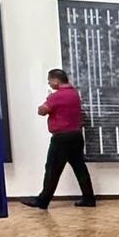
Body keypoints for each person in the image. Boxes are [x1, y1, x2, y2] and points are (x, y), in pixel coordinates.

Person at [21, 68, 97, 209]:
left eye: (49, 80)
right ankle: (89, 198)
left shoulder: (56, 96)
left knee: (52, 169)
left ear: (56, 80)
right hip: (76, 136)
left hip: (61, 138)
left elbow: (42, 111)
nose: (49, 83)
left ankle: (43, 201)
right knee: (80, 168)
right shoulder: (74, 94)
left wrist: (47, 100)